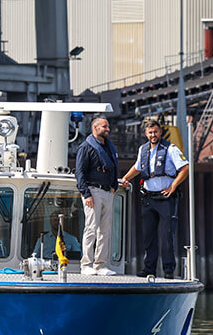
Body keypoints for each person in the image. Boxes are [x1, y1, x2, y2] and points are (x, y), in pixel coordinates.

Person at [120, 120, 189, 278]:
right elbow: (138, 167)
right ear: (146, 134)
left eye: (156, 132)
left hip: (166, 198)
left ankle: (168, 270)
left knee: (166, 236)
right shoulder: (142, 150)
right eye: (150, 132)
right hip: (148, 198)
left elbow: (185, 168)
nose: (153, 135)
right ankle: (149, 269)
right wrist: (125, 178)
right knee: (148, 237)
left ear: (160, 132)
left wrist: (173, 186)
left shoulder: (171, 149)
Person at [75, 117, 119, 276]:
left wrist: (114, 186)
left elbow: (114, 167)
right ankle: (86, 264)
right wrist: (86, 194)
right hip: (93, 191)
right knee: (91, 228)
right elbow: (79, 172)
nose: (108, 129)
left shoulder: (108, 147)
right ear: (95, 127)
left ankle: (101, 265)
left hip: (108, 192)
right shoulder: (86, 147)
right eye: (104, 126)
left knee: (105, 231)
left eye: (108, 126)